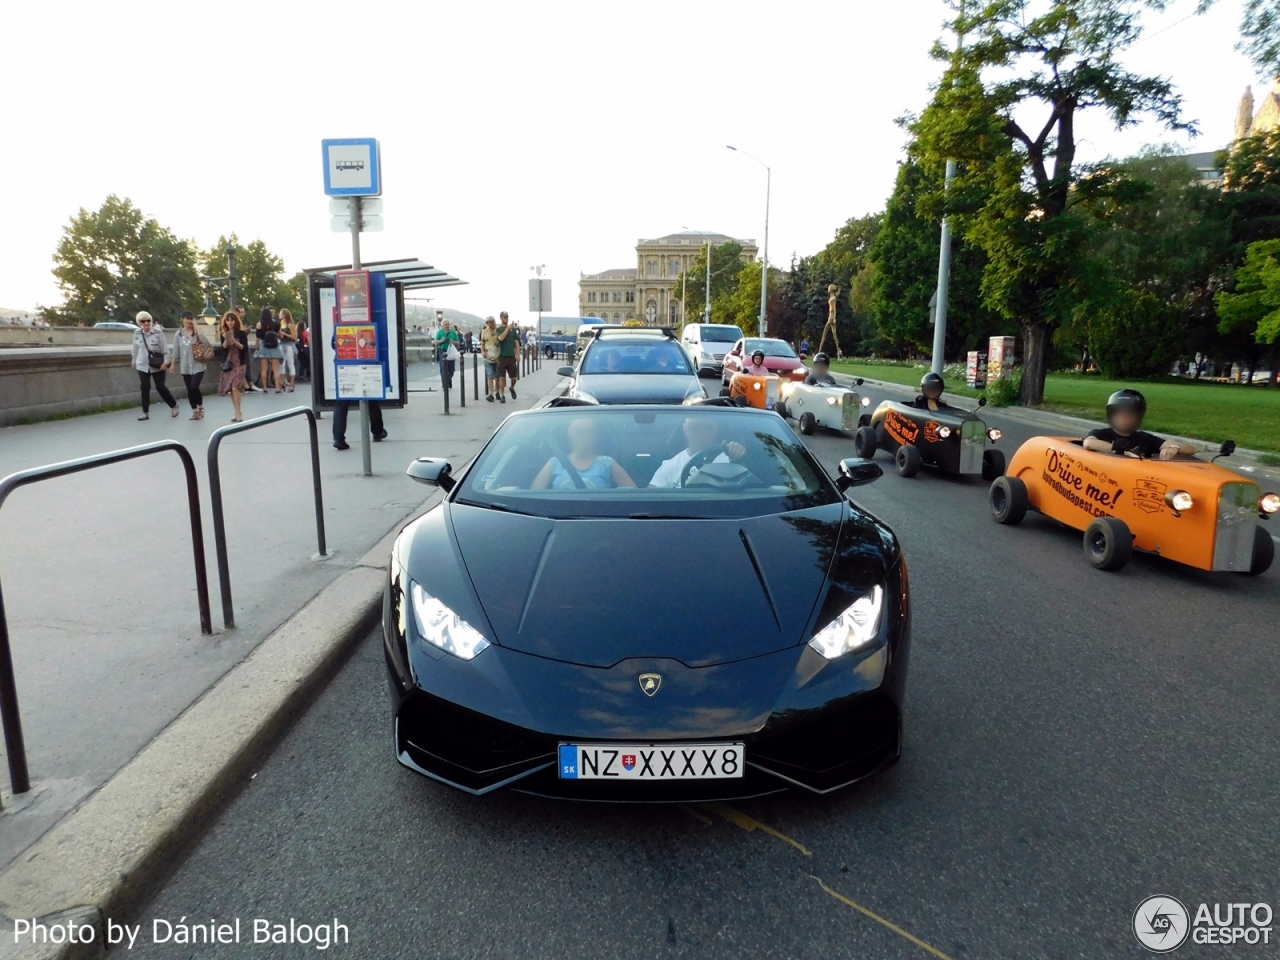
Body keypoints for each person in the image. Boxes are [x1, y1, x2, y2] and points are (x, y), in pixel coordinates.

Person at [1081, 389, 1196, 460]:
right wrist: (1123, 451)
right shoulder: (1101, 434)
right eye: (1119, 413)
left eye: (1129, 414)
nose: (1124, 417)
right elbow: (1089, 443)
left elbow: (1191, 449)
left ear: (1138, 416)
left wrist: (1174, 448)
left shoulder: (1144, 438)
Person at [531, 418, 636, 489]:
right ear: (569, 432)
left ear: (596, 435)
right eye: (579, 430)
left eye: (591, 431)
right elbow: (533, 496)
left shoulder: (607, 464)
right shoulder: (554, 463)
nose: (585, 436)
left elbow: (633, 496)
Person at [649, 417, 747, 488]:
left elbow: (750, 489)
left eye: (708, 428)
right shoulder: (669, 467)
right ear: (685, 429)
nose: (702, 434)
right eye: (694, 428)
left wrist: (738, 459)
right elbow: (651, 500)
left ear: (717, 429)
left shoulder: (732, 459)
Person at [131, 311, 178, 420]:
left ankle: (174, 405)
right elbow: (135, 349)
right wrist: (134, 362)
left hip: (157, 364)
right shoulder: (137, 333)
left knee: (160, 387)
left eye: (148, 321)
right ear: (139, 323)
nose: (146, 323)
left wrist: (166, 362)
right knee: (144, 387)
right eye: (143, 321)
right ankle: (145, 412)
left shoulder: (158, 332)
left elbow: (165, 349)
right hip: (142, 364)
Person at [172, 311, 211, 420]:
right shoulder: (179, 334)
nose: (189, 321)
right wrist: (172, 364)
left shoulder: (198, 332)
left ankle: (200, 406)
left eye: (191, 319)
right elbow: (175, 350)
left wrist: (197, 328)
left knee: (194, 386)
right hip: (185, 366)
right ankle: (194, 411)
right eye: (187, 319)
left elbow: (205, 341)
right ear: (183, 320)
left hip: (198, 365)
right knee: (189, 389)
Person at [217, 311, 246, 423]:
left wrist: (235, 341)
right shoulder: (223, 333)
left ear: (235, 321)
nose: (230, 322)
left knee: (235, 387)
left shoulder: (241, 333)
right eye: (228, 320)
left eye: (232, 320)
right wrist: (226, 340)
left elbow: (244, 347)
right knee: (231, 389)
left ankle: (238, 413)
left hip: (239, 363)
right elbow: (223, 348)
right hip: (229, 364)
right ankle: (237, 411)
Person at [255, 307, 285, 393]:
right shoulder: (275, 324)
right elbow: (281, 335)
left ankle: (265, 387)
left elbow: (258, 337)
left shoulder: (259, 324)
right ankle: (277, 388)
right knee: (276, 369)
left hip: (264, 346)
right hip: (274, 346)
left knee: (264, 369)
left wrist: (257, 348)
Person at [495, 311, 519, 402]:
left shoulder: (513, 331)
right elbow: (500, 338)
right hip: (502, 356)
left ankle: (512, 387)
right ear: (501, 318)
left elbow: (516, 343)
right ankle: (502, 395)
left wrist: (518, 355)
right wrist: (508, 328)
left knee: (514, 378)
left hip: (511, 357)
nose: (506, 318)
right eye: (504, 317)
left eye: (507, 317)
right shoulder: (499, 329)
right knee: (502, 377)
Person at [434, 318, 461, 389]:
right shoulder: (439, 332)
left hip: (451, 351)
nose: (447, 325)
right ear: (442, 325)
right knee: (443, 367)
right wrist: (442, 340)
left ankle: (449, 379)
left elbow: (458, 342)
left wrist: (452, 341)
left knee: (451, 368)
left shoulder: (453, 332)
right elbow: (435, 342)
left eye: (448, 324)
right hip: (442, 350)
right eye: (445, 324)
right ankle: (444, 384)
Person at [278, 308, 299, 392]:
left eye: (280, 313)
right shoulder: (281, 323)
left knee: (290, 364)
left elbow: (294, 337)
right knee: (281, 364)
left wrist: (284, 333)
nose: (279, 315)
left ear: (284, 315)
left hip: (289, 345)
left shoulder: (290, 324)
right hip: (282, 345)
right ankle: (282, 383)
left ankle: (291, 384)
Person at [481, 316, 501, 401]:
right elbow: (482, 343)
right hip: (488, 357)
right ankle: (490, 394)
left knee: (497, 376)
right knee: (489, 376)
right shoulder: (484, 332)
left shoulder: (499, 331)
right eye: (489, 322)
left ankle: (497, 392)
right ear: (487, 323)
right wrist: (483, 351)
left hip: (498, 356)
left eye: (492, 322)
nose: (491, 323)